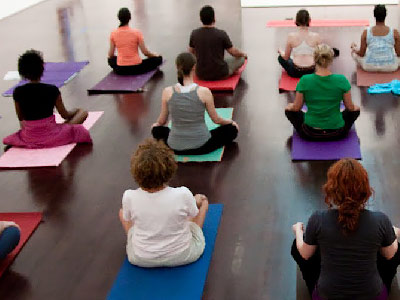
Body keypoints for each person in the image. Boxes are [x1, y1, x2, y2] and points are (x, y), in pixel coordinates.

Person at [291, 159, 400, 300]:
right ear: (365, 189)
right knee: (391, 247)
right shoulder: (380, 220)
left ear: (331, 189)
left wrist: (299, 232)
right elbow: (390, 254)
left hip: (326, 296)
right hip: (373, 296)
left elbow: (305, 254)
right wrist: (394, 233)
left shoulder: (318, 219)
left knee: (299, 246)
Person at [119, 139, 209, 267]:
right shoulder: (183, 193)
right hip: (184, 255)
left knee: (122, 213)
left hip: (141, 258)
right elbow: (193, 213)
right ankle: (203, 208)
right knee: (197, 212)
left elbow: (128, 218)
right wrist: (200, 202)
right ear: (169, 169)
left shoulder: (129, 196)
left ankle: (140, 242)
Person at [151, 52, 238, 155]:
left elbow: (162, 121)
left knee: (157, 130)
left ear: (177, 67)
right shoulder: (204, 91)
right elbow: (216, 120)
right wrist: (231, 122)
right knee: (231, 129)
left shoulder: (167, 91)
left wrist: (155, 126)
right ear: (194, 67)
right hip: (201, 145)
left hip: (175, 146)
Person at [3, 50, 91, 149]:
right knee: (83, 113)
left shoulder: (17, 92)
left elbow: (21, 118)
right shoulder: (52, 89)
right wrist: (75, 111)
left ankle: (33, 138)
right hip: (53, 135)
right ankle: (52, 132)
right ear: (41, 69)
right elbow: (65, 115)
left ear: (22, 72)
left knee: (24, 133)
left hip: (30, 137)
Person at [285, 44, 360, 141]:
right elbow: (350, 107)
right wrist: (356, 107)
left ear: (314, 59)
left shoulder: (305, 80)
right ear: (331, 60)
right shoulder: (341, 80)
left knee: (289, 111)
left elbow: (296, 108)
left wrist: (289, 106)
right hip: (337, 132)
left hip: (310, 132)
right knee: (355, 110)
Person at [189, 5, 247, 81]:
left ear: (200, 19)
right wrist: (243, 54)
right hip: (220, 73)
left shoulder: (194, 34)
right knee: (241, 59)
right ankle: (229, 71)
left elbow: (191, 52)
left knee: (225, 60)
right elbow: (233, 52)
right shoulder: (221, 34)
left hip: (201, 74)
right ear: (214, 18)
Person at [108, 7, 162, 75]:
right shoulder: (136, 32)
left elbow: (110, 55)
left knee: (110, 60)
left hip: (120, 69)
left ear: (119, 18)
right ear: (130, 18)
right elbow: (145, 52)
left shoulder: (113, 33)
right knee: (159, 59)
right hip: (136, 68)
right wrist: (155, 55)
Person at [351, 5, 400, 72]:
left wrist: (355, 50)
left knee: (354, 53)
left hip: (369, 66)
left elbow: (361, 54)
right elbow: (398, 53)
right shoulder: (394, 32)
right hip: (391, 66)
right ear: (385, 15)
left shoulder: (366, 32)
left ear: (374, 16)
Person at [278, 9, 322, 78]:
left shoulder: (291, 36)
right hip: (311, 72)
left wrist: (280, 52)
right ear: (309, 20)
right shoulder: (316, 36)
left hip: (296, 72)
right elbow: (320, 57)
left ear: (296, 21)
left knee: (280, 58)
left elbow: (286, 57)